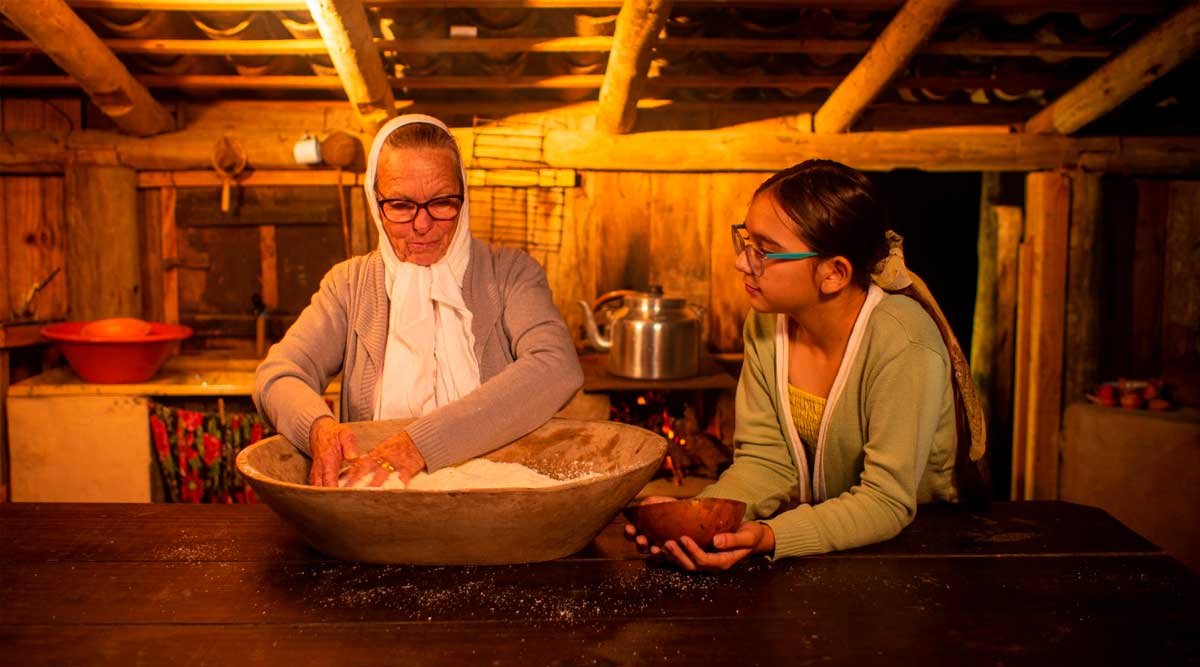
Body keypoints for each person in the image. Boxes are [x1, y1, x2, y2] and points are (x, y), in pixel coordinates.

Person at [627, 159, 985, 571]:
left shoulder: (904, 342)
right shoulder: (766, 323)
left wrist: (772, 535)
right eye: (745, 241)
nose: (742, 262)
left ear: (833, 273)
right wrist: (703, 521)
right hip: (835, 541)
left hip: (925, 549)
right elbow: (766, 461)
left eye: (766, 251)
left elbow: (886, 500)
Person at [254, 114, 583, 487]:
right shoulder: (349, 285)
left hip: (498, 500)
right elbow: (278, 376)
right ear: (375, 202)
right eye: (400, 206)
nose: (422, 225)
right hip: (382, 504)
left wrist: (420, 445)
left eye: (442, 202)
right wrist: (318, 427)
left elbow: (556, 366)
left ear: (464, 195)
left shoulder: (510, 274)